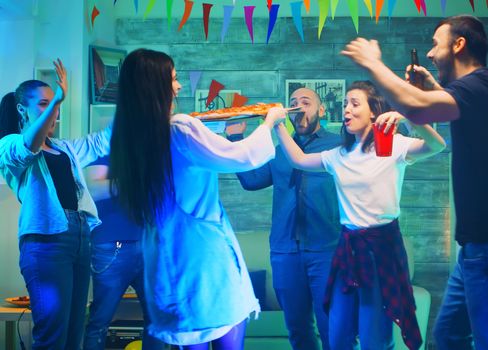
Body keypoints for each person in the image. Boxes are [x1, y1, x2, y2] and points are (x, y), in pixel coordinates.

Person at [341, 15, 488, 350]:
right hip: (479, 247)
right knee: (449, 335)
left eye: (435, 44)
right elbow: (449, 107)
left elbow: (415, 107)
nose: (429, 53)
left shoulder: (479, 89)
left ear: (459, 45)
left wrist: (373, 63)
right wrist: (432, 87)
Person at [107, 48, 286, 349]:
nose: (178, 86)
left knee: (189, 334)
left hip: (167, 256)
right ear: (155, 84)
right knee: (224, 327)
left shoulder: (131, 137)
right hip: (204, 260)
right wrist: (269, 122)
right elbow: (240, 156)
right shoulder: (180, 129)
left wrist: (215, 127)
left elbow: (188, 158)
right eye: (173, 79)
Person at [274, 80, 446, 350]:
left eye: (355, 104)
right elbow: (297, 159)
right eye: (345, 104)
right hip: (347, 249)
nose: (347, 110)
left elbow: (436, 145)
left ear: (374, 112)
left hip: (381, 250)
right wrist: (276, 123)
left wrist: (408, 115)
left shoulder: (394, 146)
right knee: (338, 334)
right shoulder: (339, 155)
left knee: (373, 338)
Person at [0, 60, 112, 349]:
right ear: (23, 109)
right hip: (47, 243)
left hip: (80, 238)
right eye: (46, 104)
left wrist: (137, 102)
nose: (55, 110)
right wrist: (59, 98)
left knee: (75, 334)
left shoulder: (64, 148)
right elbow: (29, 146)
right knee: (53, 336)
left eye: (57, 104)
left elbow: (102, 142)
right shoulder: (9, 144)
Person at [225, 87, 341, 350]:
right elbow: (251, 180)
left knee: (332, 329)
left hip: (326, 252)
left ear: (321, 110)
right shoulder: (279, 150)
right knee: (298, 331)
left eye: (306, 101)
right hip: (284, 253)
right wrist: (235, 139)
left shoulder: (338, 146)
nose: (298, 106)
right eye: (293, 102)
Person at [83, 156, 164, 350]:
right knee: (100, 321)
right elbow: (95, 189)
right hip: (112, 248)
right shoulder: (104, 152)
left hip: (148, 247)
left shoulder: (150, 156)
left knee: (156, 321)